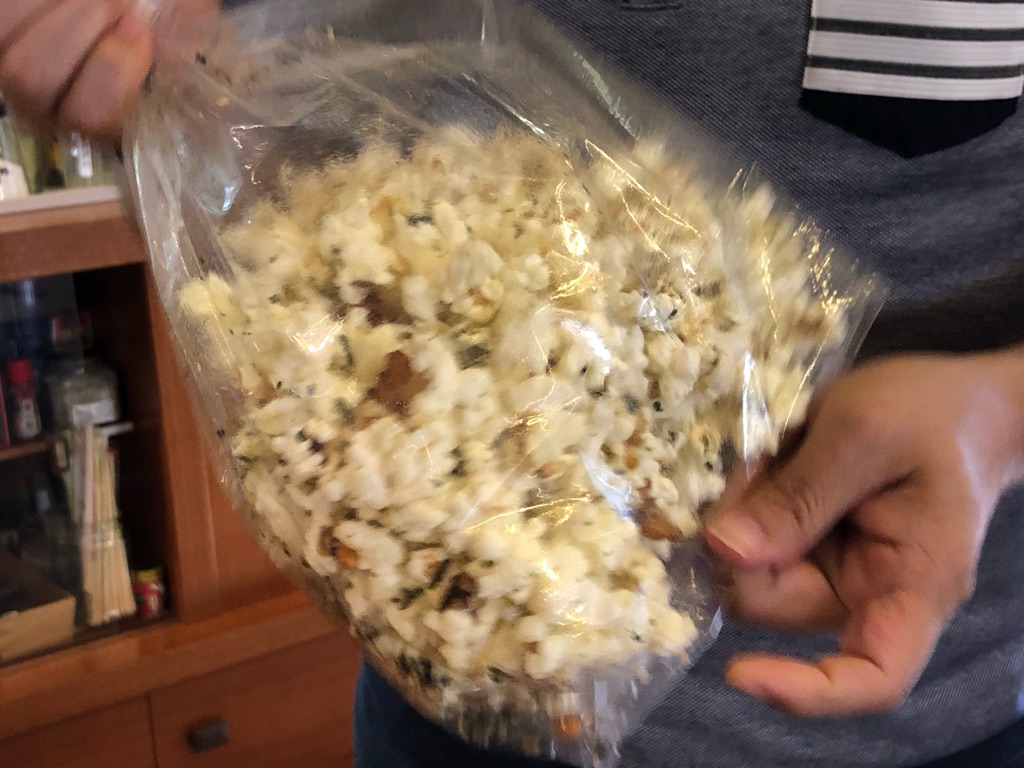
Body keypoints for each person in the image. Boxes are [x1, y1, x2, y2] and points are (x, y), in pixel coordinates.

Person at [6, 1, 1024, 766]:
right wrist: (108, 50)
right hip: (470, 686)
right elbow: (240, 118)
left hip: (949, 700)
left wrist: (1001, 413)